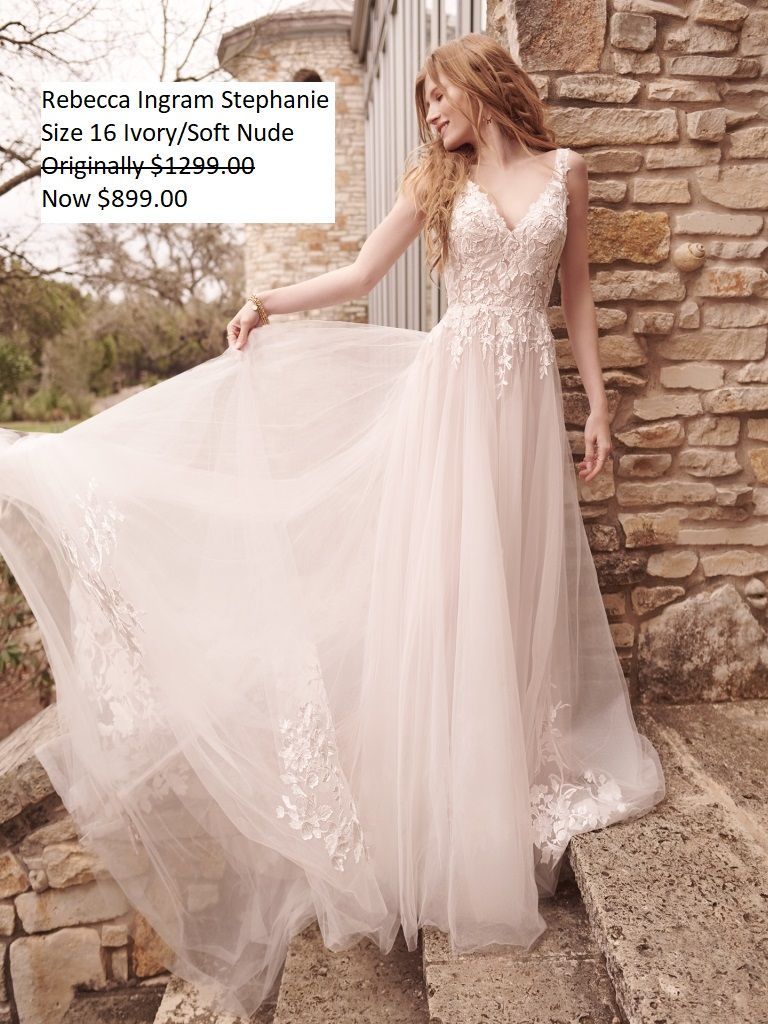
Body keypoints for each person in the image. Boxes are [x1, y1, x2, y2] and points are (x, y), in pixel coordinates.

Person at [0, 32, 665, 1019]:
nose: (430, 115)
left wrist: (600, 404)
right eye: (424, 103)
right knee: (452, 594)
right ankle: (451, 810)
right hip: (448, 410)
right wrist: (267, 300)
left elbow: (577, 303)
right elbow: (359, 274)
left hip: (525, 403)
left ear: (483, 87)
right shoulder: (439, 184)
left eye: (438, 97)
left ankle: (516, 772)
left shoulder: (567, 172)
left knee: (516, 585)